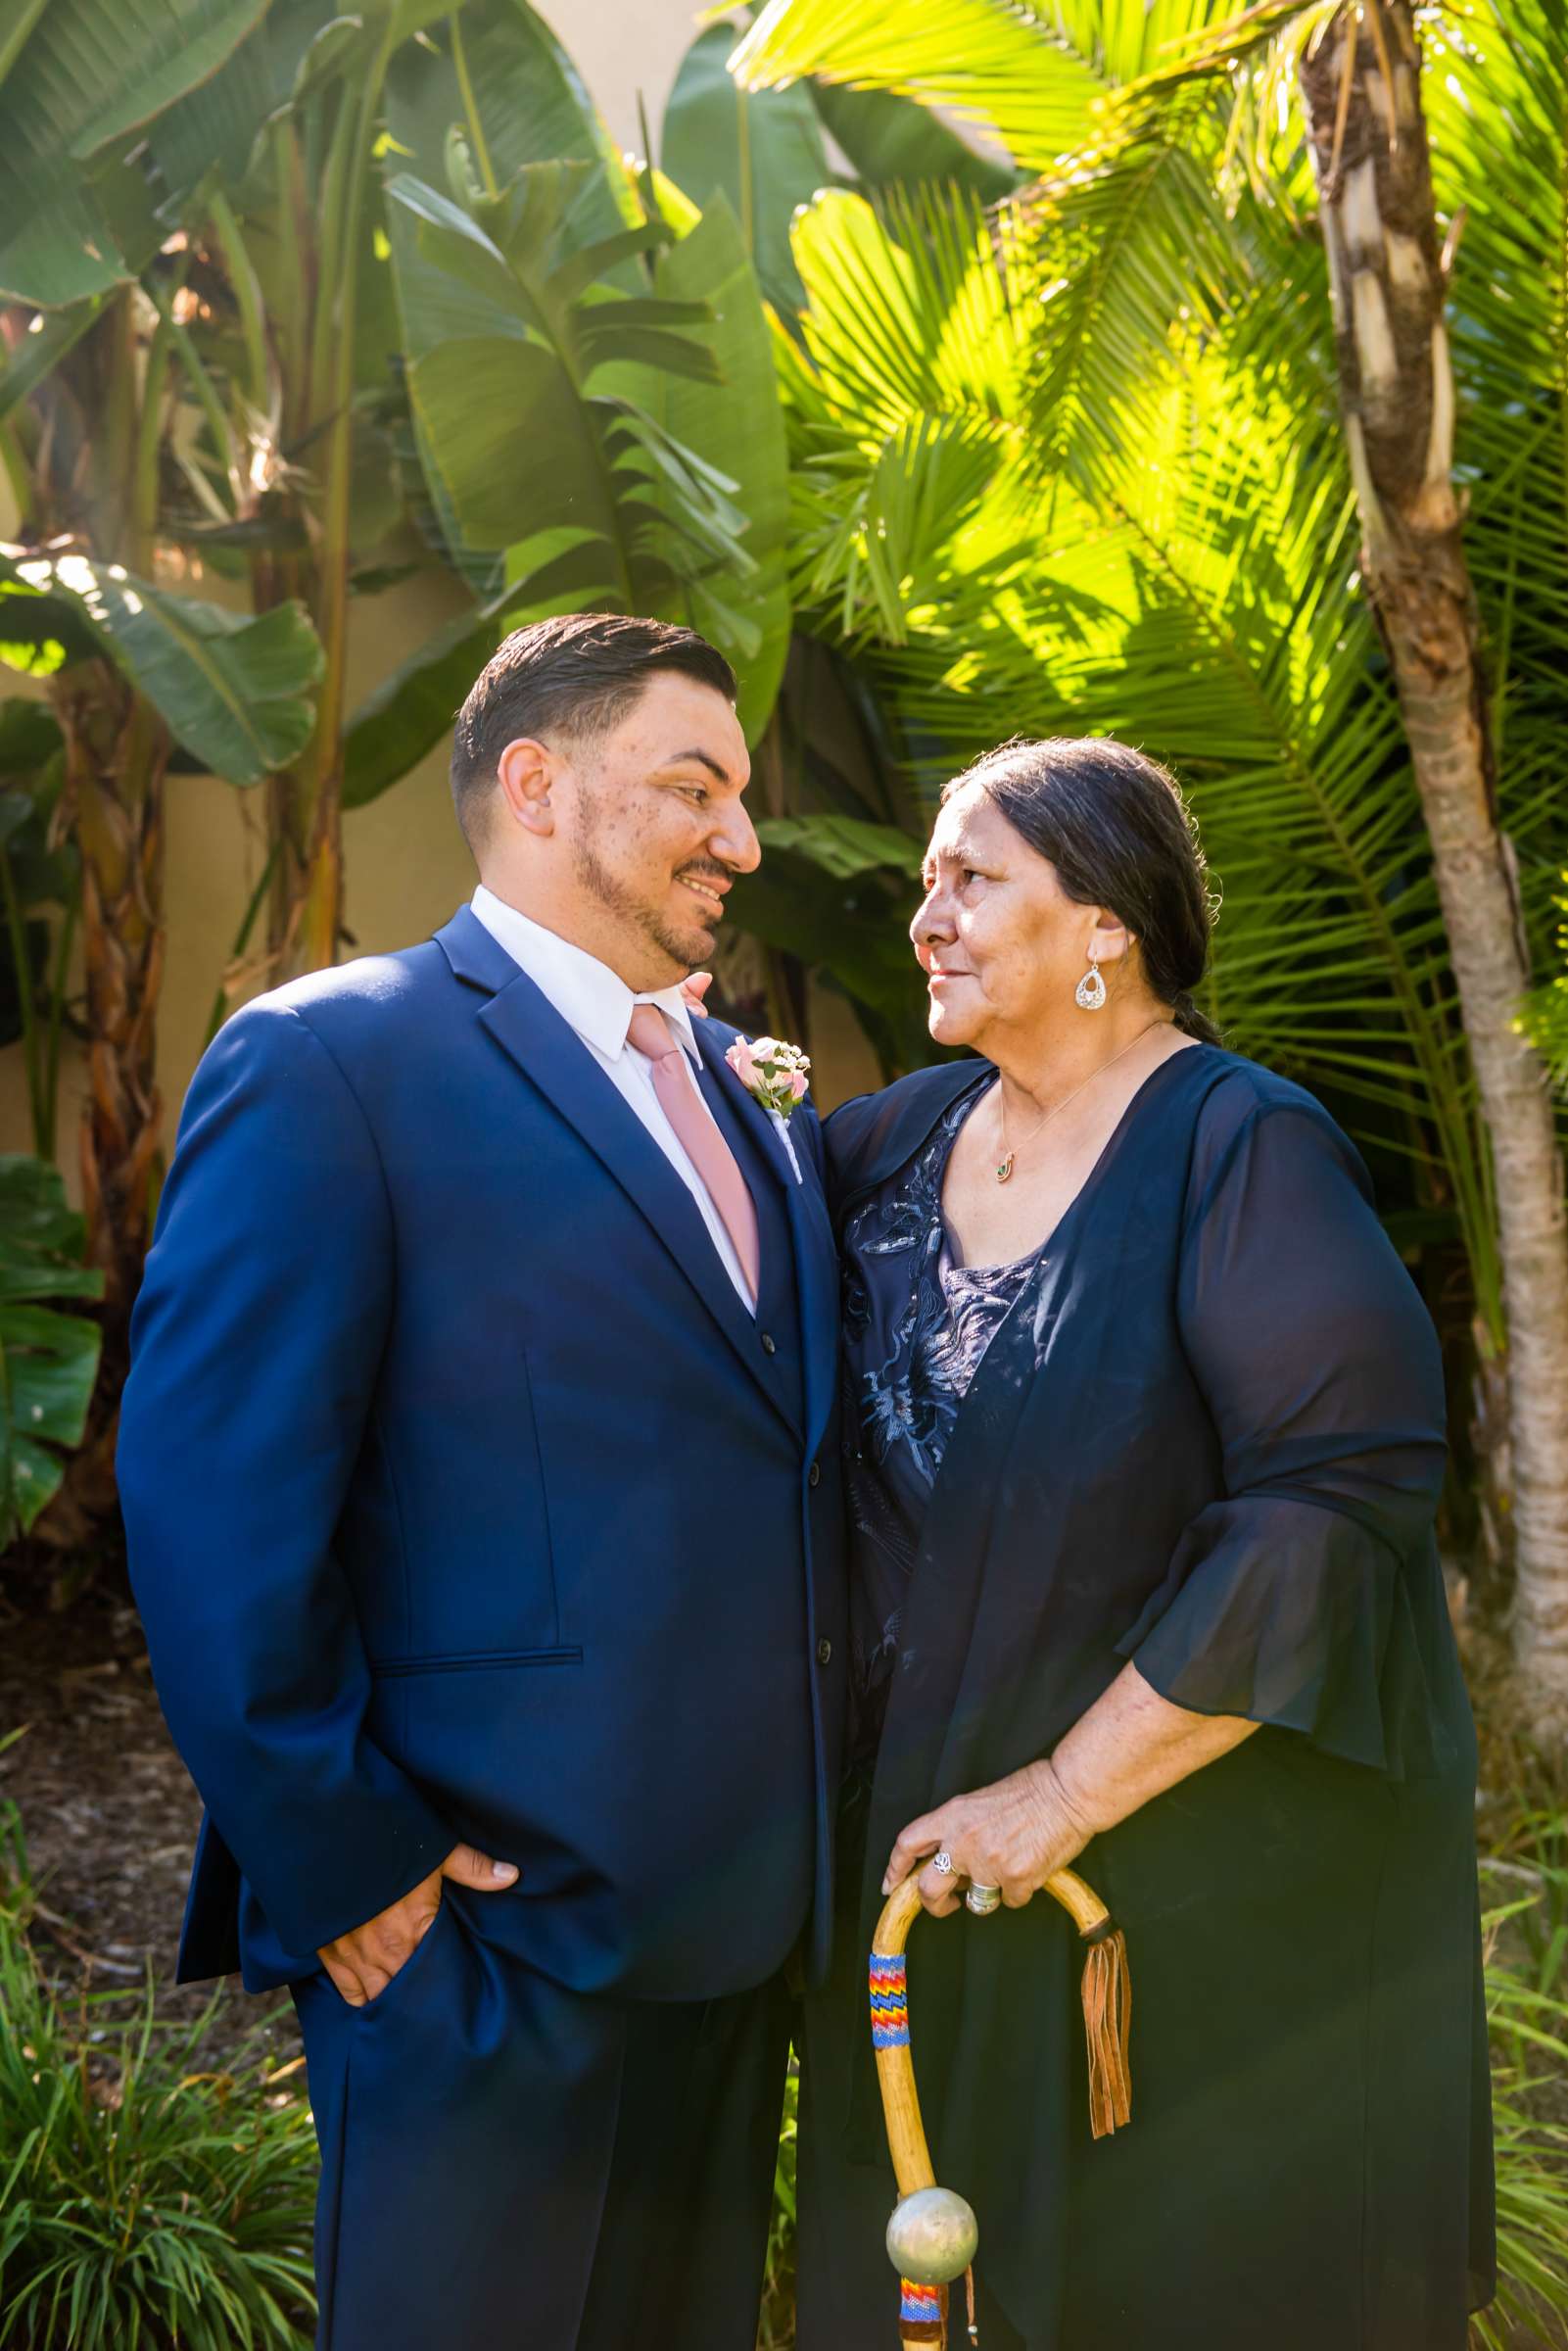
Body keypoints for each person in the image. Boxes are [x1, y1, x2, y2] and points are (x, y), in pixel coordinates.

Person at [118, 613, 845, 2351]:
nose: (740, 839)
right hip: (485, 1953)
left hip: (738, 1943)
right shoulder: (329, 1064)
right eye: (695, 786)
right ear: (534, 784)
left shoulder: (745, 1096)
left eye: (739, 797)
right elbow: (215, 1511)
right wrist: (349, 1867)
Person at [795, 737, 1494, 2351]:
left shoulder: (1238, 1148)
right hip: (927, 1858)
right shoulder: (893, 1141)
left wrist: (1059, 1796)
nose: (926, 918)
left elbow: (1335, 1506)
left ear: (1104, 923)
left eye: (971, 879)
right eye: (924, 884)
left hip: (1188, 1901)